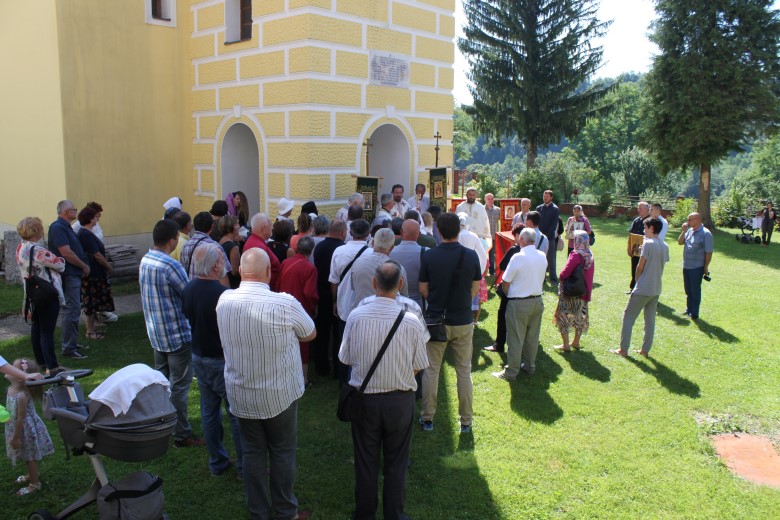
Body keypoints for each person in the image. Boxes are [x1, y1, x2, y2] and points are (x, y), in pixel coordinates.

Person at [217, 248, 316, 520]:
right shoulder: (284, 303)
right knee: (282, 452)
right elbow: (310, 333)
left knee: (252, 453)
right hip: (278, 394)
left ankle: (258, 511)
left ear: (240, 271)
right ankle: (285, 511)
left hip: (242, 393)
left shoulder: (224, 300)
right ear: (269, 272)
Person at [339, 261, 429, 520]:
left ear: (374, 283)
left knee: (365, 461)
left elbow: (346, 358)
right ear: (401, 284)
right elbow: (419, 365)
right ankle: (394, 514)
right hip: (400, 401)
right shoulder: (412, 321)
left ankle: (365, 514)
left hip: (365, 401)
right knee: (397, 462)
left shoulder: (356, 316)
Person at [139, 219, 203, 448]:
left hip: (156, 333)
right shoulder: (169, 265)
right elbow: (189, 294)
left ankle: (162, 424)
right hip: (176, 335)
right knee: (179, 386)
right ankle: (181, 434)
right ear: (172, 240)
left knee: (162, 383)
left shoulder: (146, 259)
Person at [182, 243, 243, 477]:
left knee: (209, 412)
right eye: (221, 261)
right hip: (220, 360)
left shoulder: (189, 289)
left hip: (199, 356)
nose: (223, 265)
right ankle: (244, 467)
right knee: (236, 414)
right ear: (215, 265)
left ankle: (217, 462)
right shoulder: (223, 295)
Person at [419, 213, 482, 433]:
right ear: (459, 230)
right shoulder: (471, 255)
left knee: (431, 370)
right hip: (463, 320)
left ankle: (427, 418)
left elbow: (423, 289)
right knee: (464, 371)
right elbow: (475, 288)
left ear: (439, 231)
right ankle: (466, 421)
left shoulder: (429, 256)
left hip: (437, 320)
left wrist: (437, 301)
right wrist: (462, 302)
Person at [492, 228, 547, 380]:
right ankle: (529, 365)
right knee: (532, 337)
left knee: (515, 338)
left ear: (521, 239)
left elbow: (506, 281)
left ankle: (511, 371)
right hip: (537, 300)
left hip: (519, 302)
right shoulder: (542, 255)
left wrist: (508, 294)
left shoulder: (518, 257)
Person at [15, 217, 67, 376]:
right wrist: (61, 259)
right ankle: (52, 366)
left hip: (32, 293)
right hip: (46, 292)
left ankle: (41, 362)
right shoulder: (38, 250)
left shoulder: (20, 247)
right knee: (47, 331)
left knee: (37, 328)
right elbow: (59, 264)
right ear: (36, 230)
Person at [611, 217, 670, 357]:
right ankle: (645, 350)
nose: (644, 230)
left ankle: (623, 349)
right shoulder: (665, 246)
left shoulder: (648, 244)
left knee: (628, 317)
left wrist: (638, 281)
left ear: (652, 228)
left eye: (645, 228)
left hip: (643, 288)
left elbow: (640, 266)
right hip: (656, 288)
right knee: (650, 321)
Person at [330, 220, 373, 383]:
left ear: (350, 232)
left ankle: (343, 378)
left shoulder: (339, 251)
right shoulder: (371, 253)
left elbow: (334, 280)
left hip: (344, 304)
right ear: (367, 233)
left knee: (343, 342)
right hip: (364, 304)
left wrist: (335, 301)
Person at [4, 358, 54, 496]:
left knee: (29, 457)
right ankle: (32, 474)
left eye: (13, 367)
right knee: (26, 455)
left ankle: (34, 484)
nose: (9, 368)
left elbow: (21, 418)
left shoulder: (21, 395)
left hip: (25, 430)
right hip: (17, 427)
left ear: (21, 377)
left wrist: (15, 438)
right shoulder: (10, 389)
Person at [48, 200, 90, 360]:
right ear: (66, 212)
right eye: (74, 209)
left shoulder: (66, 227)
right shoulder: (58, 227)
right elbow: (66, 252)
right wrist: (83, 266)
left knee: (74, 309)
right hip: (68, 274)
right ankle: (68, 348)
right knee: (71, 310)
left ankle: (72, 342)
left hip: (73, 273)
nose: (76, 211)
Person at [342, 228, 408, 322]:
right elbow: (404, 297)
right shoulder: (399, 269)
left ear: (372, 243)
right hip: (388, 319)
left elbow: (353, 288)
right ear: (392, 247)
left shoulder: (357, 263)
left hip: (360, 317)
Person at [279, 237, 319, 386]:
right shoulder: (310, 268)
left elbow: (278, 283)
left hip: (283, 307)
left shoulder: (285, 263)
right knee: (303, 344)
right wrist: (313, 307)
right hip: (301, 309)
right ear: (311, 250)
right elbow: (309, 293)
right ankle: (304, 379)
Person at [312, 220, 347, 377]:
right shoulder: (342, 249)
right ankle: (338, 368)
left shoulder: (319, 247)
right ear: (343, 232)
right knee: (338, 333)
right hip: (338, 292)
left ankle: (321, 366)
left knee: (322, 331)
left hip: (321, 291)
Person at [483, 224, 525, 354]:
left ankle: (499, 344)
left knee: (503, 317)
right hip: (525, 292)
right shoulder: (534, 252)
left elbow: (502, 265)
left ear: (518, 236)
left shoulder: (514, 250)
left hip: (511, 289)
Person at [76, 207, 115, 341]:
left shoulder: (86, 233)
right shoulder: (86, 234)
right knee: (91, 302)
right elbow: (96, 254)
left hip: (94, 272)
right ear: (90, 219)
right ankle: (90, 331)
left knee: (93, 301)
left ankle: (93, 327)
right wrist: (108, 266)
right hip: (93, 274)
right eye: (95, 217)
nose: (97, 219)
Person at [553, 230, 595, 352]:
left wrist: (560, 277)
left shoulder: (576, 255)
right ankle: (576, 342)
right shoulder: (590, 254)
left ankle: (566, 344)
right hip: (583, 292)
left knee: (563, 316)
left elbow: (564, 273)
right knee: (580, 317)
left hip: (571, 293)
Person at [677, 212, 714, 320]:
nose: (687, 222)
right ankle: (689, 309)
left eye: (690, 220)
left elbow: (709, 252)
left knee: (695, 291)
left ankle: (694, 313)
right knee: (688, 290)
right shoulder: (689, 231)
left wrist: (705, 267)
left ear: (697, 220)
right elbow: (680, 242)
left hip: (697, 267)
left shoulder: (706, 233)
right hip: (686, 265)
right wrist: (684, 231)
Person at [180, 211, 231, 286]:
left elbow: (183, 269)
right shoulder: (215, 246)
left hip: (191, 288)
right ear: (212, 226)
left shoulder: (186, 245)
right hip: (211, 290)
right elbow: (223, 274)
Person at [457, 213, 488, 325]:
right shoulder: (473, 236)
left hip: (458, 270)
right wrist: (479, 270)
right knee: (472, 293)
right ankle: (470, 319)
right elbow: (482, 255)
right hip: (472, 270)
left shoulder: (456, 235)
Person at [389, 220, 427, 308]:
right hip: (418, 303)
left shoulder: (390, 252)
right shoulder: (426, 252)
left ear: (401, 232)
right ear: (419, 234)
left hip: (395, 303)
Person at [245, 213, 282, 291]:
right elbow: (259, 274)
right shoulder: (258, 247)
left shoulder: (255, 242)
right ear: (263, 229)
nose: (272, 227)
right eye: (270, 225)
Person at [536, 190, 559, 283]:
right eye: (544, 196)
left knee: (551, 258)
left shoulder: (555, 209)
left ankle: (553, 279)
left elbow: (553, 225)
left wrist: (545, 236)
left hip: (550, 238)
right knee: (539, 258)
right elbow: (536, 223)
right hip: (539, 237)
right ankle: (542, 277)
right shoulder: (539, 208)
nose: (545, 198)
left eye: (547, 197)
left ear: (551, 197)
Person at [628, 201, 650, 292]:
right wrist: (629, 247)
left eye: (640, 208)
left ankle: (641, 289)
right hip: (635, 249)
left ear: (647, 209)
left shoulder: (650, 221)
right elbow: (631, 234)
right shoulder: (636, 220)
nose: (638, 210)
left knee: (643, 269)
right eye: (638, 208)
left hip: (645, 249)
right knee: (634, 268)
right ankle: (633, 288)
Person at [219, 216, 242, 289]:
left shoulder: (220, 242)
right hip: (233, 284)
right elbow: (235, 271)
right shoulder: (233, 247)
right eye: (237, 224)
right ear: (232, 227)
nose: (239, 226)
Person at [484, 193, 500, 275]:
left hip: (493, 236)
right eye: (488, 199)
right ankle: (483, 270)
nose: (490, 200)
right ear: (485, 200)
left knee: (492, 254)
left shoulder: (498, 210)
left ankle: (492, 271)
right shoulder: (481, 209)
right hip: (483, 236)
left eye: (491, 199)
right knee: (483, 253)